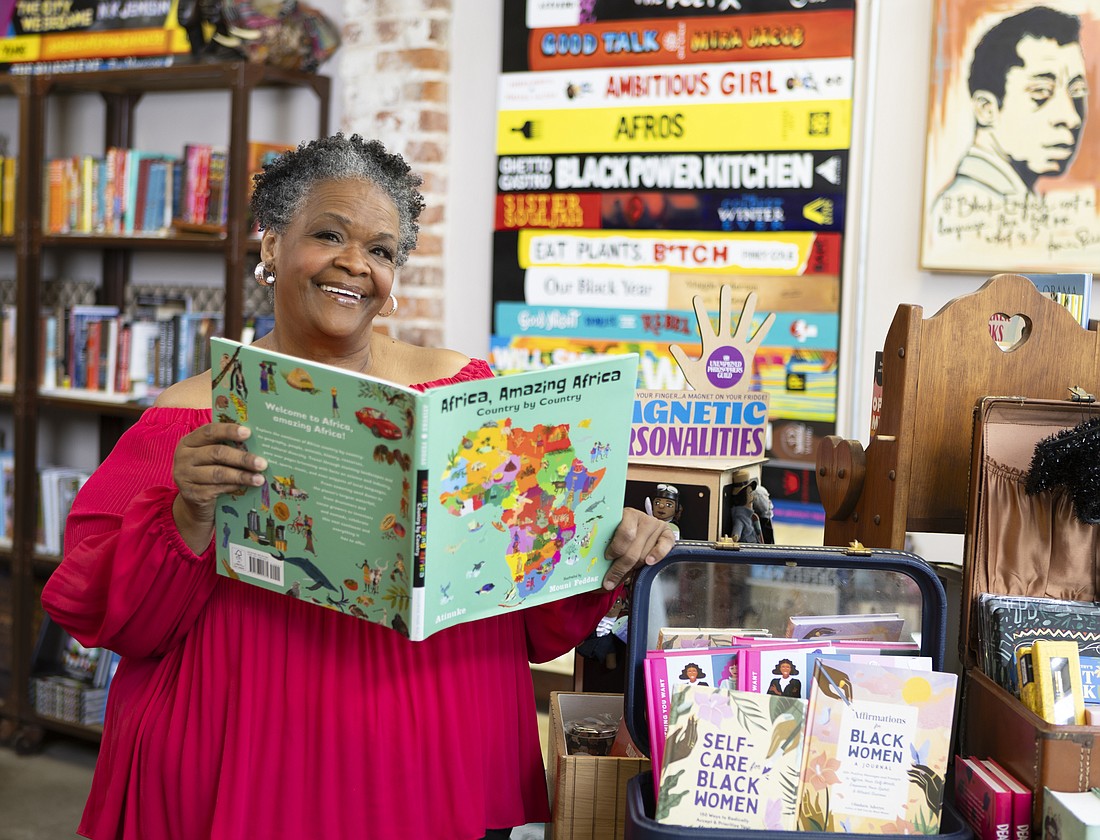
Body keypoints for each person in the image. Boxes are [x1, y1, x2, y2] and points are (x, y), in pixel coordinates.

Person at [40, 134, 677, 840]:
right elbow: (106, 611)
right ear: (272, 244)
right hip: (241, 755)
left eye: (380, 250)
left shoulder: (465, 393)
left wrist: (604, 535)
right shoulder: (188, 415)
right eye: (329, 234)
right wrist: (189, 511)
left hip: (431, 758)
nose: (355, 264)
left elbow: (528, 601)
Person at [935, 6, 1087, 205]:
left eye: (1077, 92)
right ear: (986, 109)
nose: (1071, 118)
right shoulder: (968, 208)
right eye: (1041, 92)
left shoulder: (1011, 202)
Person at [726, 469, 760, 543]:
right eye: (750, 493)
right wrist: (735, 536)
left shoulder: (748, 515)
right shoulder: (740, 518)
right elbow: (736, 532)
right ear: (743, 497)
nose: (752, 496)